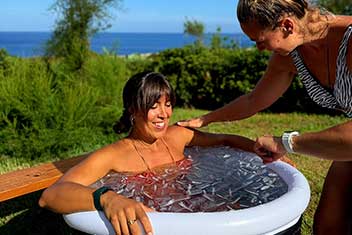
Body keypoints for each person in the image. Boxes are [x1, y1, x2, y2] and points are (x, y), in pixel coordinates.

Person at [177, 1, 352, 234]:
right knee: (328, 226)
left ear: (287, 26)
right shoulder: (291, 54)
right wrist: (205, 119)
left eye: (260, 40)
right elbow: (254, 100)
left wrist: (285, 142)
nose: (259, 49)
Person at [38, 71, 256, 235]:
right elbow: (50, 196)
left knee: (237, 209)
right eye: (154, 106)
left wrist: (260, 151)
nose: (164, 114)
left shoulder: (178, 136)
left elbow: (226, 139)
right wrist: (108, 198)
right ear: (132, 109)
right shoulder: (113, 156)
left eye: (168, 104)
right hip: (158, 225)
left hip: (193, 211)